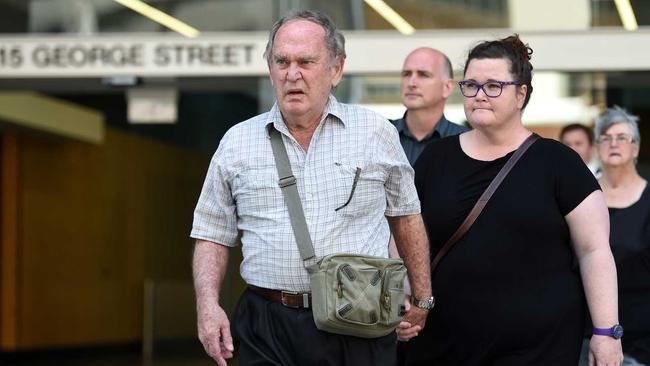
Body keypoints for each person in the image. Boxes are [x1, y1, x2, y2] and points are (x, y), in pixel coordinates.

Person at [190, 10, 432, 366]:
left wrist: (422, 297)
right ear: (270, 69)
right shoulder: (236, 142)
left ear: (336, 69)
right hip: (267, 325)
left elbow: (406, 217)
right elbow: (211, 232)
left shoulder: (375, 132)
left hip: (359, 319)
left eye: (306, 61)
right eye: (281, 61)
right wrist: (207, 305)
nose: (292, 74)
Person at [399, 34, 623, 366]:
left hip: (539, 350)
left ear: (521, 94)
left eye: (493, 86)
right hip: (443, 345)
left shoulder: (559, 163)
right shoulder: (435, 159)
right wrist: (407, 294)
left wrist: (606, 334)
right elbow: (404, 233)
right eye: (471, 85)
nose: (479, 95)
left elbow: (595, 251)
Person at [594, 106, 650, 365]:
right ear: (597, 147)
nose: (613, 144)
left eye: (622, 138)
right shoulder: (582, 197)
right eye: (606, 138)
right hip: (585, 338)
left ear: (636, 148)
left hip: (641, 341)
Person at [392, 47, 468, 166]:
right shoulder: (381, 135)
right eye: (406, 74)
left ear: (447, 87)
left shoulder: (466, 141)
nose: (411, 83)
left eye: (423, 75)